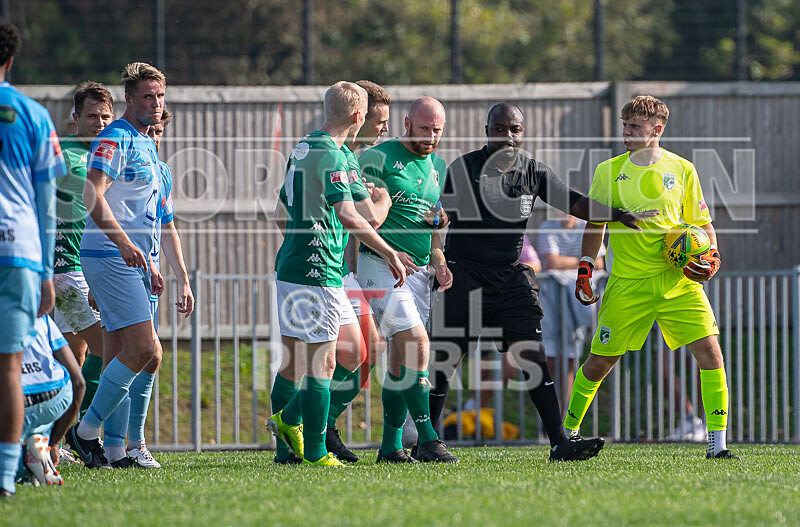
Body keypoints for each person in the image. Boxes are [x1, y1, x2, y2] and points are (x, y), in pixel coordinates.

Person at [428, 102, 655, 462]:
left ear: (523, 133)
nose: (507, 136)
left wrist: (618, 215)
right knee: (449, 357)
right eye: (499, 128)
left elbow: (574, 203)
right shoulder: (465, 167)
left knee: (533, 357)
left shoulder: (533, 171)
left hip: (509, 275)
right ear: (487, 130)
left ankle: (559, 443)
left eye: (514, 129)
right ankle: (428, 439)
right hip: (466, 273)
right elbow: (444, 213)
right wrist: (436, 219)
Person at [564, 95, 735, 459]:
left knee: (711, 354)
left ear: (656, 130)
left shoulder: (683, 169)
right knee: (598, 363)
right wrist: (585, 267)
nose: (626, 133)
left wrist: (713, 254)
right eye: (625, 126)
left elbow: (702, 223)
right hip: (628, 284)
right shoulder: (608, 171)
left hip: (679, 283)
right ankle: (566, 433)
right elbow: (596, 223)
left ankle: (717, 446)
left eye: (634, 127)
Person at [267, 81, 406, 467]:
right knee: (324, 363)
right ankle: (313, 449)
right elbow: (350, 215)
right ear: (359, 115)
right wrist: (389, 247)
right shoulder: (333, 155)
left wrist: (308, 239)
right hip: (317, 272)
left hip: (297, 265)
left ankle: (287, 442)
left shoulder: (305, 148)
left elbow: (281, 215)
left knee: (314, 359)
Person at [65, 62, 166, 469]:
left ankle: (113, 451)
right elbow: (92, 194)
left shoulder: (147, 142)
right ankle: (84, 431)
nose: (156, 104)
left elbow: (149, 214)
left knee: (120, 355)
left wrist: (152, 260)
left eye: (160, 96)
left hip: (134, 260)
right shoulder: (114, 137)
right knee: (146, 349)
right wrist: (124, 244)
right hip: (108, 256)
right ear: (128, 98)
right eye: (147, 96)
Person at [357, 96, 457, 464]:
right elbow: (359, 219)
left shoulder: (437, 166)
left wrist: (439, 258)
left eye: (437, 130)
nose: (431, 137)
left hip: (416, 272)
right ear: (406, 123)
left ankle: (389, 446)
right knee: (417, 343)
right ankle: (429, 439)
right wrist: (386, 252)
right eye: (424, 128)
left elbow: (430, 221)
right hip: (378, 267)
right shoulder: (377, 158)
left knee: (401, 362)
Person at [0, 19, 65, 498]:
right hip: (19, 253)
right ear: (10, 60)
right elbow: (48, 206)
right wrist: (46, 273)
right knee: (9, 366)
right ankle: (4, 477)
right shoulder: (35, 115)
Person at [322, 80, 392, 463]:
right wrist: (382, 199)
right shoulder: (336, 154)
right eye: (377, 119)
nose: (383, 127)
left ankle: (322, 426)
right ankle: (301, 426)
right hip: (329, 271)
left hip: (342, 269)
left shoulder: (355, 155)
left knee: (369, 350)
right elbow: (368, 217)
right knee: (331, 357)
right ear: (357, 116)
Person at [54, 82, 113, 425]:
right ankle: (85, 431)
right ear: (76, 118)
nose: (100, 122)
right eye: (92, 116)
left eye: (106, 116)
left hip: (87, 266)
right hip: (66, 267)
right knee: (107, 350)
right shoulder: (63, 154)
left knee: (77, 355)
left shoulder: (105, 156)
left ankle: (59, 436)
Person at [536, 211, 605, 401]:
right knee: (551, 361)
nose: (564, 213)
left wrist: (573, 265)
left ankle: (567, 417)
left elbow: (599, 263)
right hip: (552, 307)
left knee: (571, 361)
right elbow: (552, 262)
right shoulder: (547, 227)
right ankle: (553, 416)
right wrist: (583, 263)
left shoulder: (586, 226)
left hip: (578, 310)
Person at [19, 316, 85, 486]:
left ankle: (25, 463)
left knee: (8, 451)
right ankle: (42, 449)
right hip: (56, 395)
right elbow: (79, 383)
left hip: (17, 401)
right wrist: (55, 443)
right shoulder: (43, 319)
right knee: (41, 422)